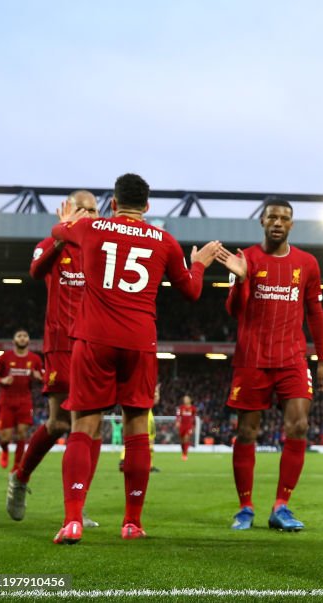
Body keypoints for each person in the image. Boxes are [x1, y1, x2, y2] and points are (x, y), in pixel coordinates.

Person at [50, 172, 220, 544]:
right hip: (140, 342)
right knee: (135, 428)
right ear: (147, 206)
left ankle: (73, 520)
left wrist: (67, 222)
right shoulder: (165, 241)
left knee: (84, 425)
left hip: (93, 339)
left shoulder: (92, 228)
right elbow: (191, 290)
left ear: (113, 203)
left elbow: (58, 233)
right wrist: (201, 263)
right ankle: (132, 522)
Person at [215, 198, 323, 532]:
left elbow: (316, 313)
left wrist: (322, 361)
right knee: (246, 431)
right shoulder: (246, 259)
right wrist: (239, 280)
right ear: (262, 222)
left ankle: (282, 505)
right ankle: (245, 507)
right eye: (272, 217)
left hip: (292, 358)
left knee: (299, 426)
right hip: (252, 358)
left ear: (291, 225)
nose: (278, 222)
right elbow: (234, 310)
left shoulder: (307, 263)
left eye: (284, 218)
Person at [8, 190, 100, 524]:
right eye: (83, 209)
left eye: (94, 210)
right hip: (61, 342)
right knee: (60, 422)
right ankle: (21, 477)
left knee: (94, 427)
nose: (90, 215)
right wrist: (61, 238)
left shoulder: (100, 248)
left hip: (95, 345)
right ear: (68, 211)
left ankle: (78, 504)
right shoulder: (50, 242)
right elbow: (34, 271)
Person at [0, 330, 43, 473]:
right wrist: (1, 380)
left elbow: (43, 377)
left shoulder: (35, 359)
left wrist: (39, 377)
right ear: (14, 341)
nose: (22, 338)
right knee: (5, 437)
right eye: (19, 336)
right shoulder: (4, 357)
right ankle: (5, 450)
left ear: (29, 340)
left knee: (22, 434)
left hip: (25, 401)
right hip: (6, 401)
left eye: (25, 336)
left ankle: (17, 465)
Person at [177, 395, 197, 461]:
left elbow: (194, 418)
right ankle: (183, 452)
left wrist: (194, 426)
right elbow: (178, 415)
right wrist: (177, 422)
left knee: (186, 438)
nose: (185, 400)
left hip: (189, 426)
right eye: (184, 399)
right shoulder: (180, 407)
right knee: (182, 440)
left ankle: (185, 455)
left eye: (186, 399)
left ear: (190, 400)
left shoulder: (193, 408)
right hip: (182, 425)